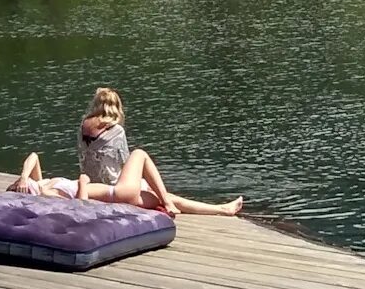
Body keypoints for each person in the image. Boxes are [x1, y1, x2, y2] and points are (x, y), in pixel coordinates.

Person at [78, 87, 244, 215]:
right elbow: (125, 161)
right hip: (114, 188)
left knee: (156, 191)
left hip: (94, 188)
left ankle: (220, 208)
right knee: (141, 156)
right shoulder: (115, 130)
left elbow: (84, 159)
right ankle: (219, 209)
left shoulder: (83, 127)